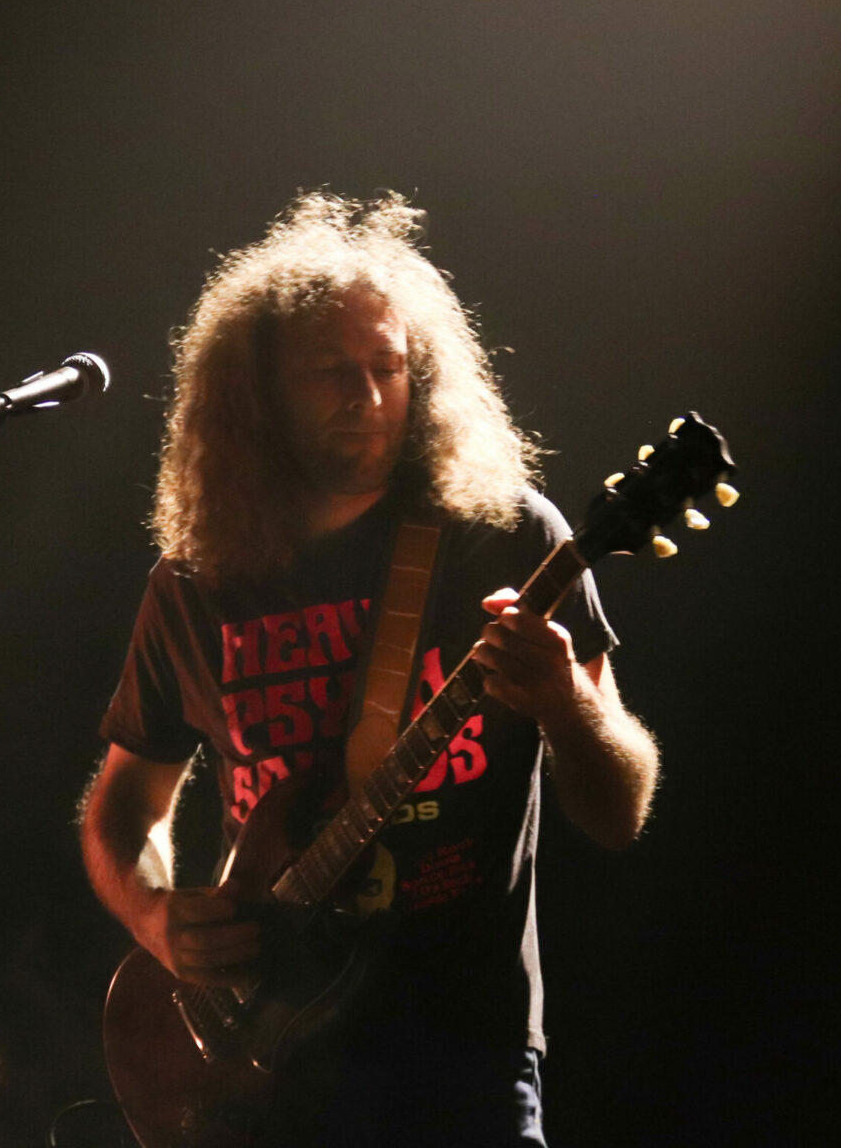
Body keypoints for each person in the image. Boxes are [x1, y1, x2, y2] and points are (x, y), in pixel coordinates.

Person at [80, 192, 659, 1146]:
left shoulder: (507, 537)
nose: (368, 396)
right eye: (330, 373)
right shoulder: (196, 584)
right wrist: (155, 917)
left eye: (387, 367)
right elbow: (123, 809)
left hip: (465, 1057)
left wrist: (568, 708)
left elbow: (619, 811)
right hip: (265, 1074)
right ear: (258, 393)